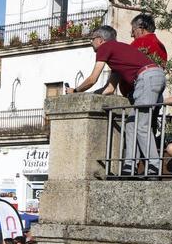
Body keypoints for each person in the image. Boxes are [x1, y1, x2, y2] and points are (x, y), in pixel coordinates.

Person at [67, 24, 166, 173]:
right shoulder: (118, 53)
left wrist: (75, 91)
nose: (91, 43)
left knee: (142, 125)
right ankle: (129, 166)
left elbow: (93, 78)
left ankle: (153, 167)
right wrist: (90, 95)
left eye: (91, 39)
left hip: (146, 78)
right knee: (132, 124)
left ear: (100, 40)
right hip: (152, 76)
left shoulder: (104, 48)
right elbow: (109, 89)